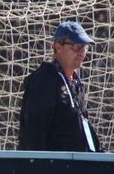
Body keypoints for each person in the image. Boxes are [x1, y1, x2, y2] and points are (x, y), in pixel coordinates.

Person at [18, 20, 101, 153]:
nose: (81, 52)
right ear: (58, 47)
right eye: (76, 46)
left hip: (80, 162)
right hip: (54, 163)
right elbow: (34, 135)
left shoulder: (76, 83)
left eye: (85, 47)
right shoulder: (45, 81)